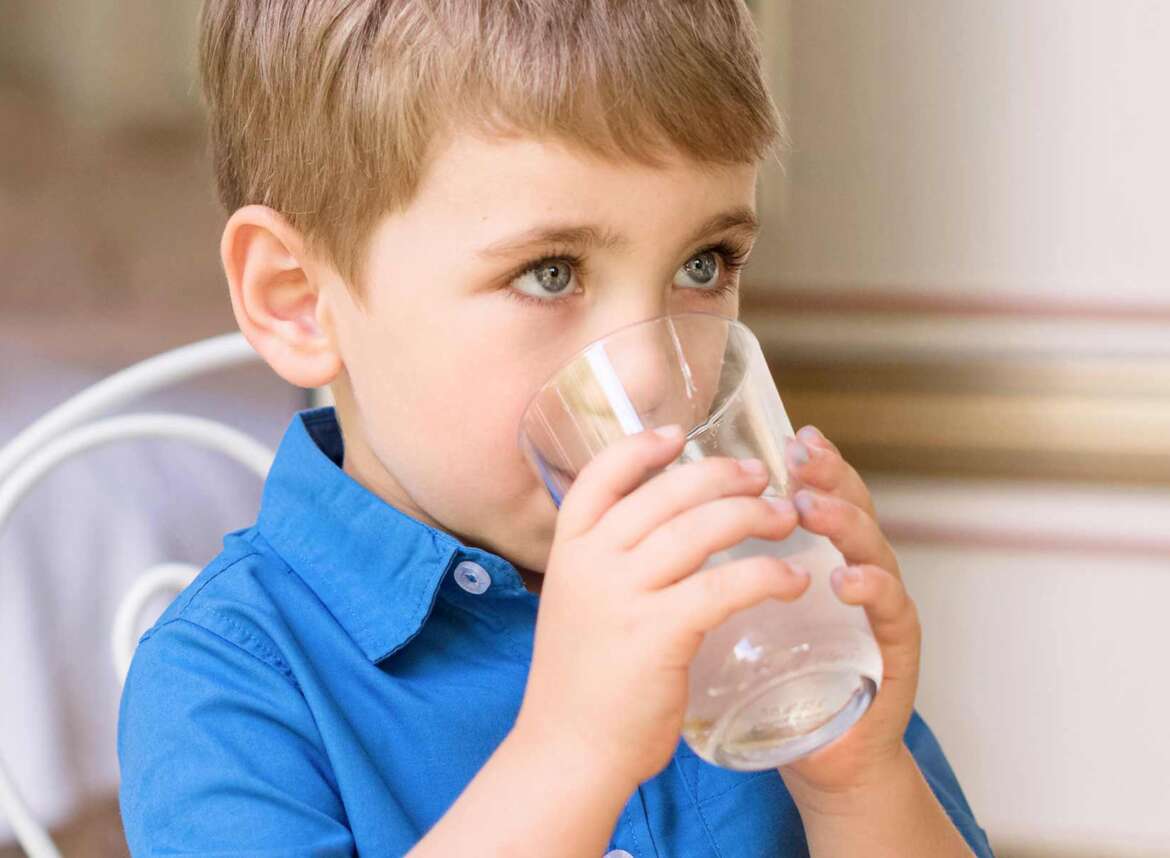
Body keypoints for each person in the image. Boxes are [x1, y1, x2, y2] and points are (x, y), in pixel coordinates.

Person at [117, 1, 994, 855]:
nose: (657, 374)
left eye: (703, 264)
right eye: (549, 273)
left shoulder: (751, 598)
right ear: (300, 301)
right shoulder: (230, 683)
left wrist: (859, 779)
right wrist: (572, 751)